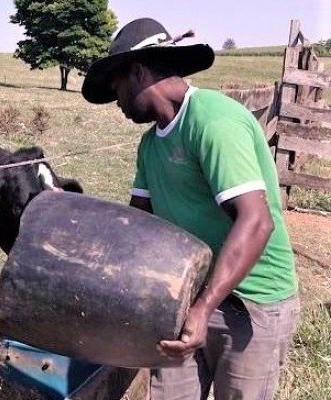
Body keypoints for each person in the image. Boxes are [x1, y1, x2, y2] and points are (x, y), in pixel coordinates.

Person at [81, 18, 300, 400]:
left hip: (252, 301)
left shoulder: (212, 121)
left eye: (115, 85)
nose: (115, 101)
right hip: (186, 297)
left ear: (137, 71)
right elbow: (137, 226)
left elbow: (257, 221)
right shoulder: (150, 146)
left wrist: (203, 308)